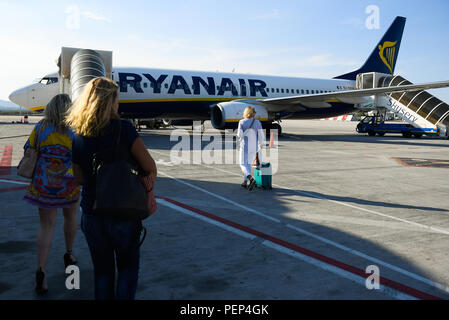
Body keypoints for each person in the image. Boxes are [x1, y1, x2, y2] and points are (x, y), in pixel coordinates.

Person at [66, 77, 157, 300]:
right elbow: (149, 167)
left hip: (93, 211)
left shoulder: (76, 134)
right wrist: (147, 190)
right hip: (124, 211)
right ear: (110, 101)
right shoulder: (124, 129)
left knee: (102, 272)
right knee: (127, 268)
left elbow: (78, 178)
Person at [22, 93, 81, 295]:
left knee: (46, 226)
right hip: (69, 183)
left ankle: (41, 269)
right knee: (71, 216)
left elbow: (29, 149)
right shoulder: (76, 129)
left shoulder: (40, 127)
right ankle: (69, 254)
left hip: (43, 184)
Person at [237, 106, 265, 191]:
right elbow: (261, 135)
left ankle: (250, 178)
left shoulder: (242, 122)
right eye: (254, 112)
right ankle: (245, 182)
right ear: (252, 113)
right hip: (254, 147)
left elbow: (239, 135)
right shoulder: (258, 122)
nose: (255, 113)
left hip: (245, 146)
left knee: (242, 164)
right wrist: (261, 144)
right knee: (248, 164)